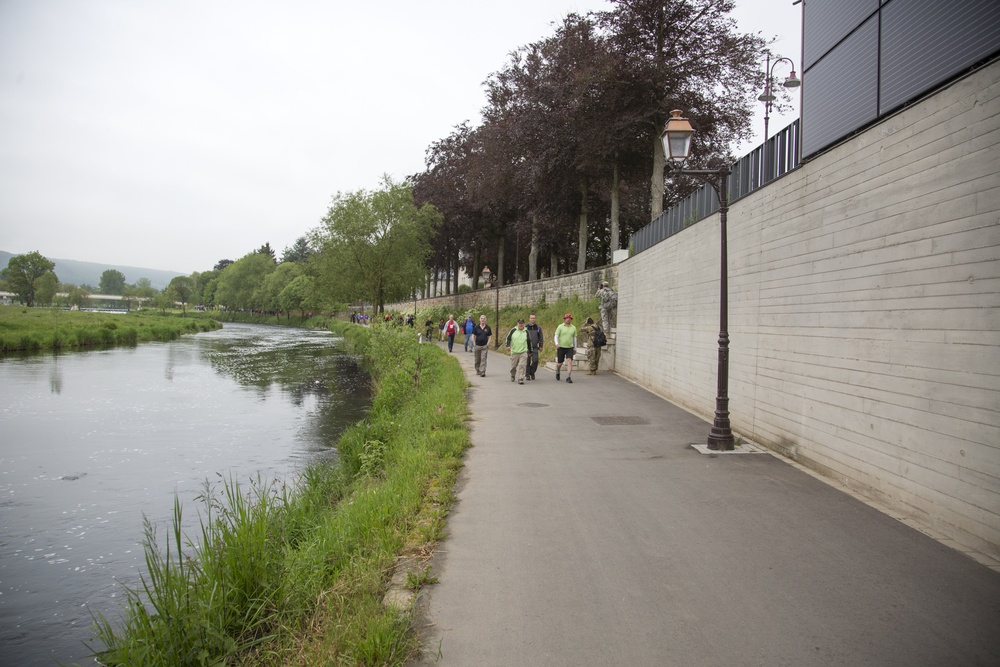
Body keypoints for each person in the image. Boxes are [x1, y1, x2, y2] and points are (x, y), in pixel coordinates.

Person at [505, 318, 532, 384]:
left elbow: (529, 342)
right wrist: (508, 345)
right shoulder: (513, 330)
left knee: (522, 365)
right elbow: (508, 339)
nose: (521, 325)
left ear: (524, 324)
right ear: (517, 324)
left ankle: (520, 378)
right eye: (519, 323)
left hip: (523, 351)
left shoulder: (526, 331)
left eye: (522, 323)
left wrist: (530, 351)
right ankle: (513, 374)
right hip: (514, 352)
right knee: (513, 366)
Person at [553, 313, 577, 383]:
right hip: (561, 347)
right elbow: (556, 336)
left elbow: (575, 338)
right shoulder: (560, 327)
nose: (568, 319)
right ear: (565, 319)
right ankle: (558, 371)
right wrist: (557, 343)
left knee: (569, 361)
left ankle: (569, 377)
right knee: (560, 363)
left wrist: (575, 348)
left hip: (570, 347)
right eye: (567, 318)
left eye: (569, 318)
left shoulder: (573, 328)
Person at [524, 313, 543, 380]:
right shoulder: (525, 327)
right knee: (527, 361)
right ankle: (527, 375)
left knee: (535, 361)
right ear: (529, 319)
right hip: (527, 347)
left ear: (535, 319)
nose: (532, 319)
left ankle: (532, 372)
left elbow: (540, 337)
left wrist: (541, 346)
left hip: (535, 347)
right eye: (531, 318)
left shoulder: (538, 327)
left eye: (534, 318)